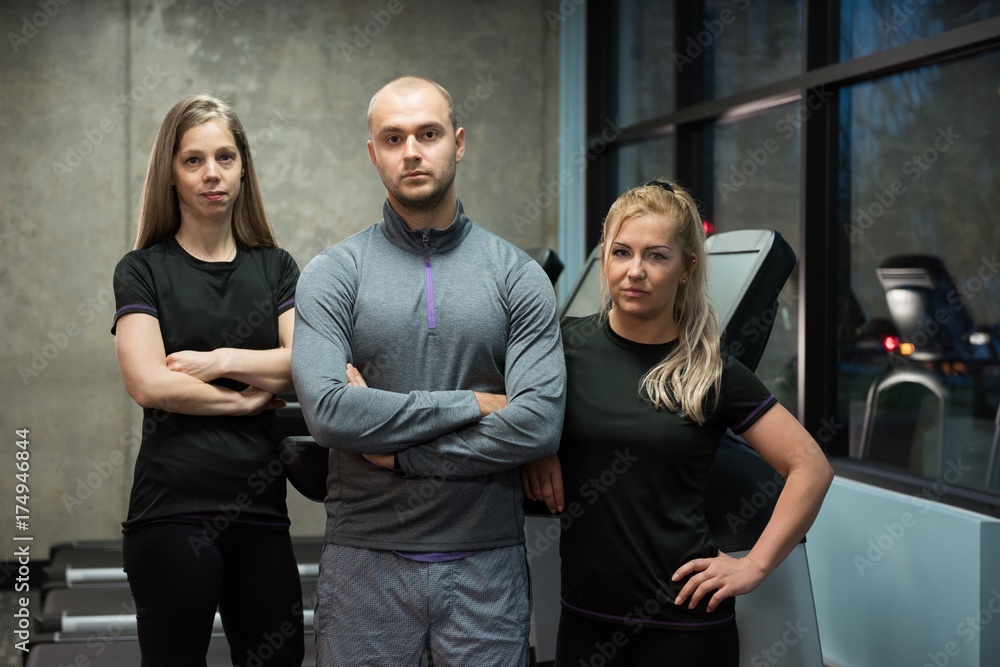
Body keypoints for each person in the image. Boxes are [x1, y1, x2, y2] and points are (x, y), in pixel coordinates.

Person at [291, 75, 566, 666]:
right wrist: (473, 403)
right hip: (364, 564)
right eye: (393, 138)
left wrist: (397, 453)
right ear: (373, 153)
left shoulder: (517, 276)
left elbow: (538, 426)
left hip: (485, 566)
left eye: (428, 133)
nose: (411, 151)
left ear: (458, 143)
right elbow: (330, 413)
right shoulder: (333, 274)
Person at [521, 180, 833, 666]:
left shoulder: (712, 370)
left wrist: (753, 566)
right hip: (584, 619)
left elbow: (810, 466)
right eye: (621, 252)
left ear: (687, 267)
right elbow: (500, 402)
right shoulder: (563, 347)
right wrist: (536, 448)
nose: (635, 271)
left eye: (657, 256)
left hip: (684, 627)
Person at [111, 94, 304, 667]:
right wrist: (247, 403)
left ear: (243, 168)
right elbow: (149, 383)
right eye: (193, 160)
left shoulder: (276, 266)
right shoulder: (142, 269)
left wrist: (217, 360)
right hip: (171, 513)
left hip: (263, 513)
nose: (211, 174)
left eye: (224, 157)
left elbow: (304, 366)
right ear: (171, 173)